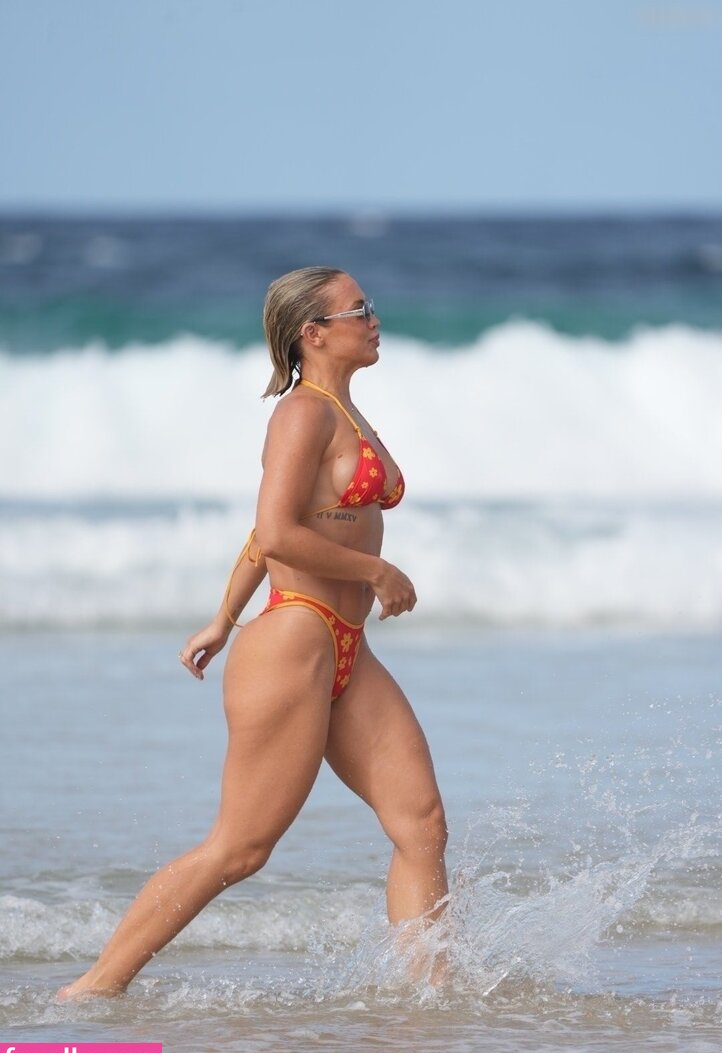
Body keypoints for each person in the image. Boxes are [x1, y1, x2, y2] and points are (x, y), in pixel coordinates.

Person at [58, 267, 448, 999]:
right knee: (241, 848)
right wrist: (375, 570)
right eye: (358, 308)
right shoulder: (302, 414)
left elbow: (268, 529)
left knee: (421, 824)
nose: (374, 317)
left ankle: (429, 996)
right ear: (314, 332)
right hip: (295, 638)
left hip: (345, 646)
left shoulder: (344, 409)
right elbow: (276, 533)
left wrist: (221, 615)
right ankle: (92, 990)